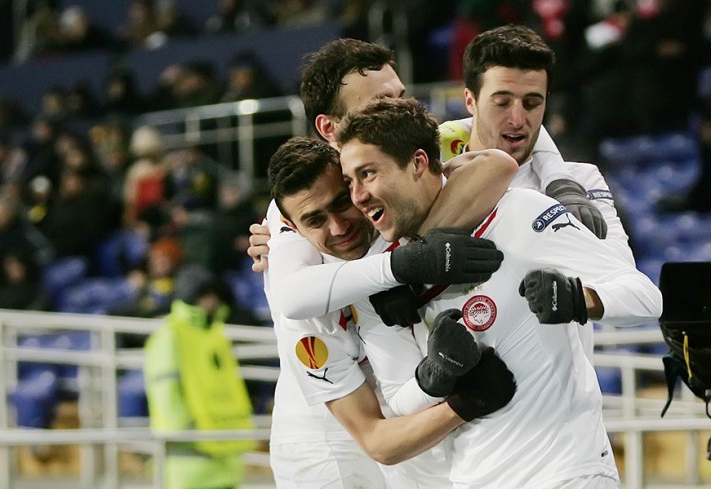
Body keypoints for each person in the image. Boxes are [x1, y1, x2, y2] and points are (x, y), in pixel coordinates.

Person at [336, 96, 663, 488]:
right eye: (350, 182)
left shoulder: (520, 212)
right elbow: (400, 403)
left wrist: (580, 299)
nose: (357, 196)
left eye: (368, 174)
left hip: (567, 471)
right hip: (474, 479)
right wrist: (436, 374)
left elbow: (647, 298)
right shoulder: (384, 280)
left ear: (419, 163)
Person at [255, 37, 520, 488]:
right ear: (329, 128)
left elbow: (500, 157)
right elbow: (293, 297)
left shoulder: (403, 151)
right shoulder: (300, 202)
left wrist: (409, 252)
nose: (399, 108)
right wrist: (398, 268)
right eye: (380, 102)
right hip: (331, 435)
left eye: (400, 95)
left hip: (413, 415)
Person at [437, 24, 662, 359]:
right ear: (470, 100)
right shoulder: (431, 178)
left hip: (557, 390)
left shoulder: (581, 182)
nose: (517, 119)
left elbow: (639, 297)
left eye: (532, 103)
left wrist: (578, 297)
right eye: (502, 102)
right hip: (449, 386)